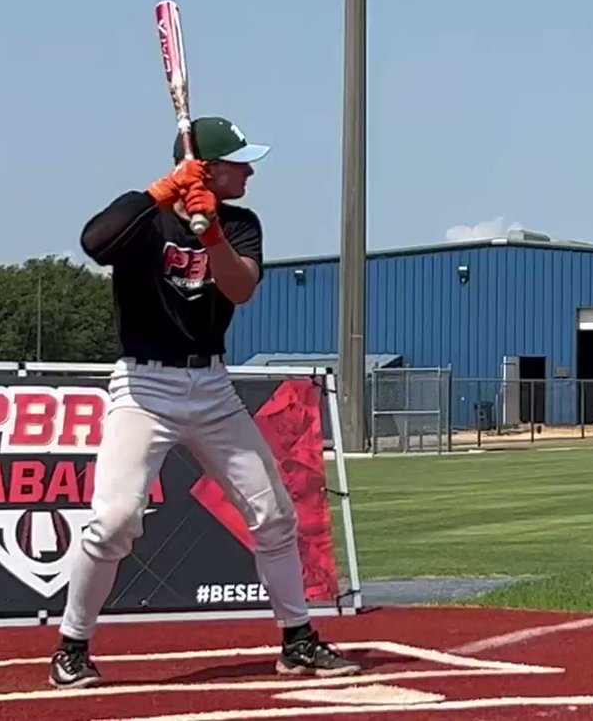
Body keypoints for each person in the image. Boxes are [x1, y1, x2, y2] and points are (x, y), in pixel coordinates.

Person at [49, 116, 362, 688]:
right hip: (144, 388)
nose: (248, 171)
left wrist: (211, 230)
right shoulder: (145, 218)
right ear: (205, 166)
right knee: (115, 520)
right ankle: (72, 644)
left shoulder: (240, 222)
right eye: (238, 162)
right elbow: (94, 242)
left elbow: (239, 288)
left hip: (212, 387)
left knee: (273, 516)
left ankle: (297, 639)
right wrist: (162, 193)